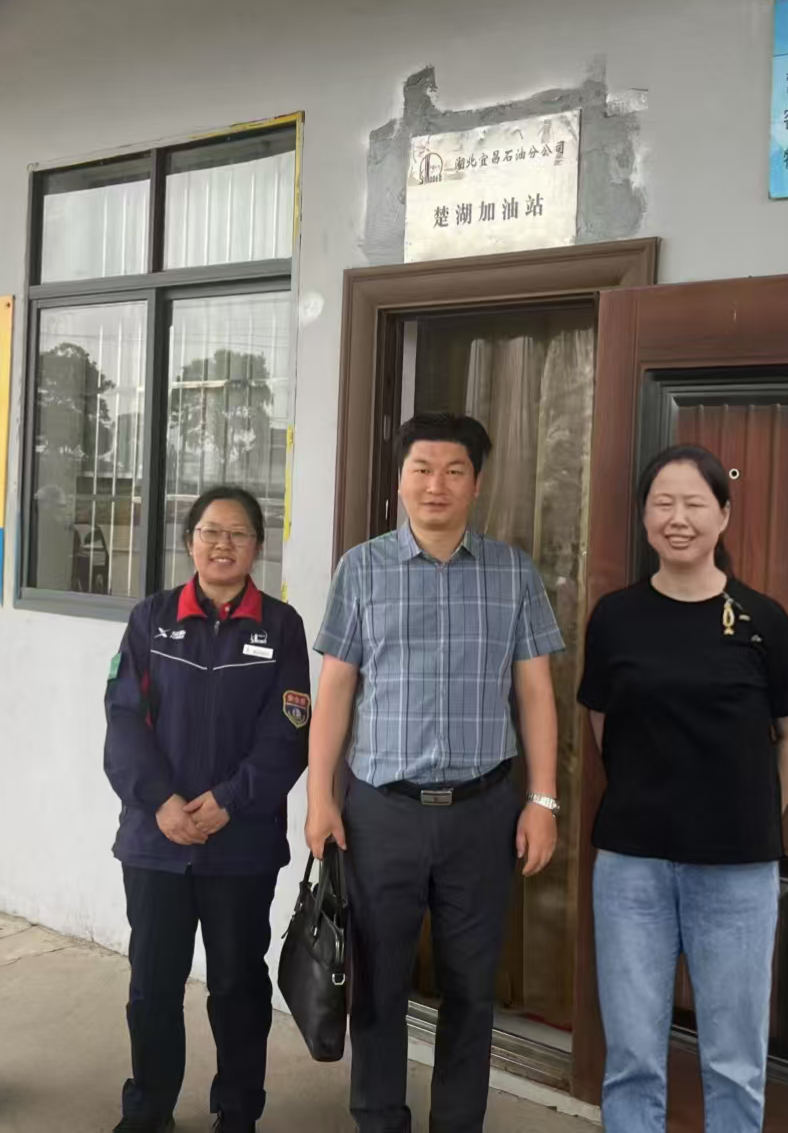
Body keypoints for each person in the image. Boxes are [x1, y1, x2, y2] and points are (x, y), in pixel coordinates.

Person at [306, 412, 565, 1133]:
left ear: (477, 484)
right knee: (378, 988)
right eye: (421, 469)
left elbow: (536, 693)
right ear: (400, 480)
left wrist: (543, 800)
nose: (436, 485)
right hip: (380, 813)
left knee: (471, 991)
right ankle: (378, 1119)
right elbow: (335, 689)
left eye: (454, 471)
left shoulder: (512, 573)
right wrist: (320, 797)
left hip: (483, 814)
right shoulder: (362, 568)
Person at [579, 445, 788, 1133]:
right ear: (644, 516)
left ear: (724, 515)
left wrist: (750, 815)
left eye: (694, 504)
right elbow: (603, 725)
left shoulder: (763, 621)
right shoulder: (615, 617)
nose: (677, 518)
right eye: (663, 503)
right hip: (632, 865)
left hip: (737, 869)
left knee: (735, 1061)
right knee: (631, 1058)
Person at [102, 485, 310, 1133]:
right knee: (152, 988)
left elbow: (288, 733)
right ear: (190, 541)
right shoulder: (151, 619)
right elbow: (123, 721)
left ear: (257, 547)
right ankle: (148, 1111)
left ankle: (238, 1114)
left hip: (240, 847)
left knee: (239, 989)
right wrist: (162, 803)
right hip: (156, 843)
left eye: (238, 533)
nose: (223, 544)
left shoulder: (281, 627)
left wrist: (229, 800)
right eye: (210, 532)